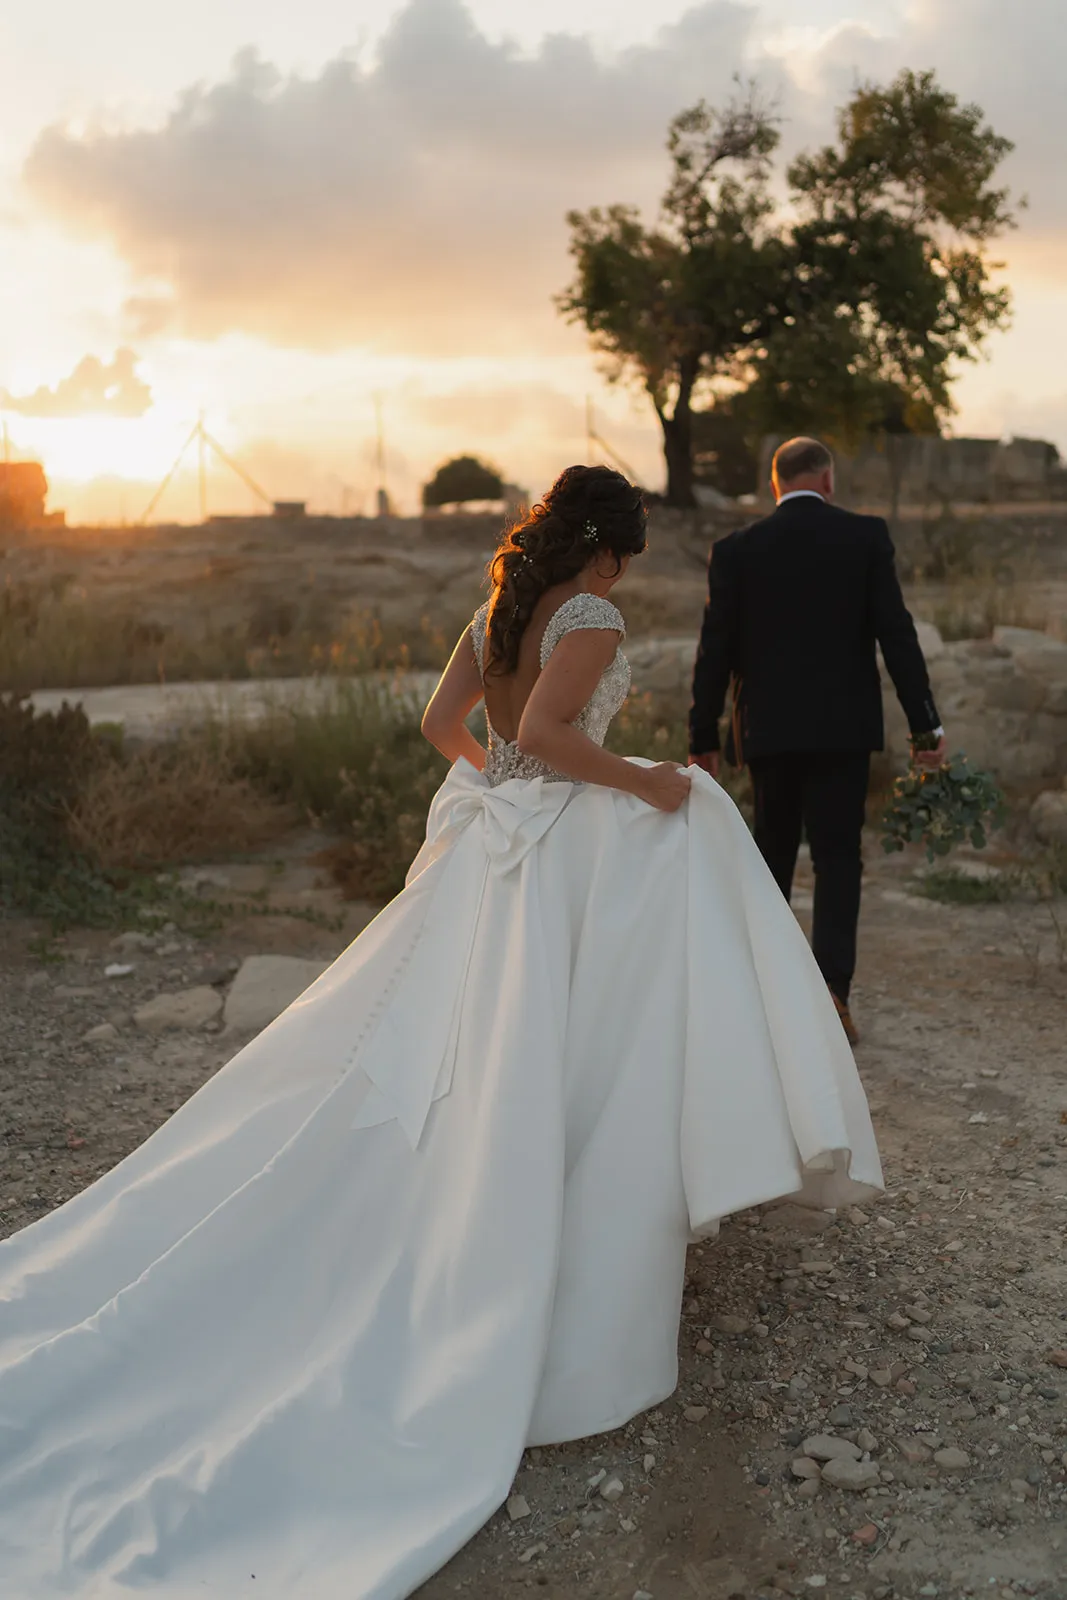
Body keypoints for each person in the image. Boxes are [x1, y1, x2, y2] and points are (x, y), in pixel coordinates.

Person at [0, 465, 882, 1600]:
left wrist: (495, 785)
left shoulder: (498, 604)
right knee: (580, 1003)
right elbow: (560, 735)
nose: (624, 570)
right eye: (628, 550)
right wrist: (642, 784)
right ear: (605, 549)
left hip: (495, 836)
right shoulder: (591, 612)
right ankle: (586, 1195)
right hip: (555, 846)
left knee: (466, 1036)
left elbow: (443, 725)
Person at [688, 437, 945, 1046]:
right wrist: (924, 724)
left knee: (771, 855)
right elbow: (897, 636)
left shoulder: (736, 550)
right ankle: (832, 996)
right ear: (827, 479)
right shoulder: (865, 538)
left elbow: (713, 649)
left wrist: (702, 737)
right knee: (836, 857)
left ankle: (767, 1001)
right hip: (841, 730)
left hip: (767, 731)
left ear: (777, 484)